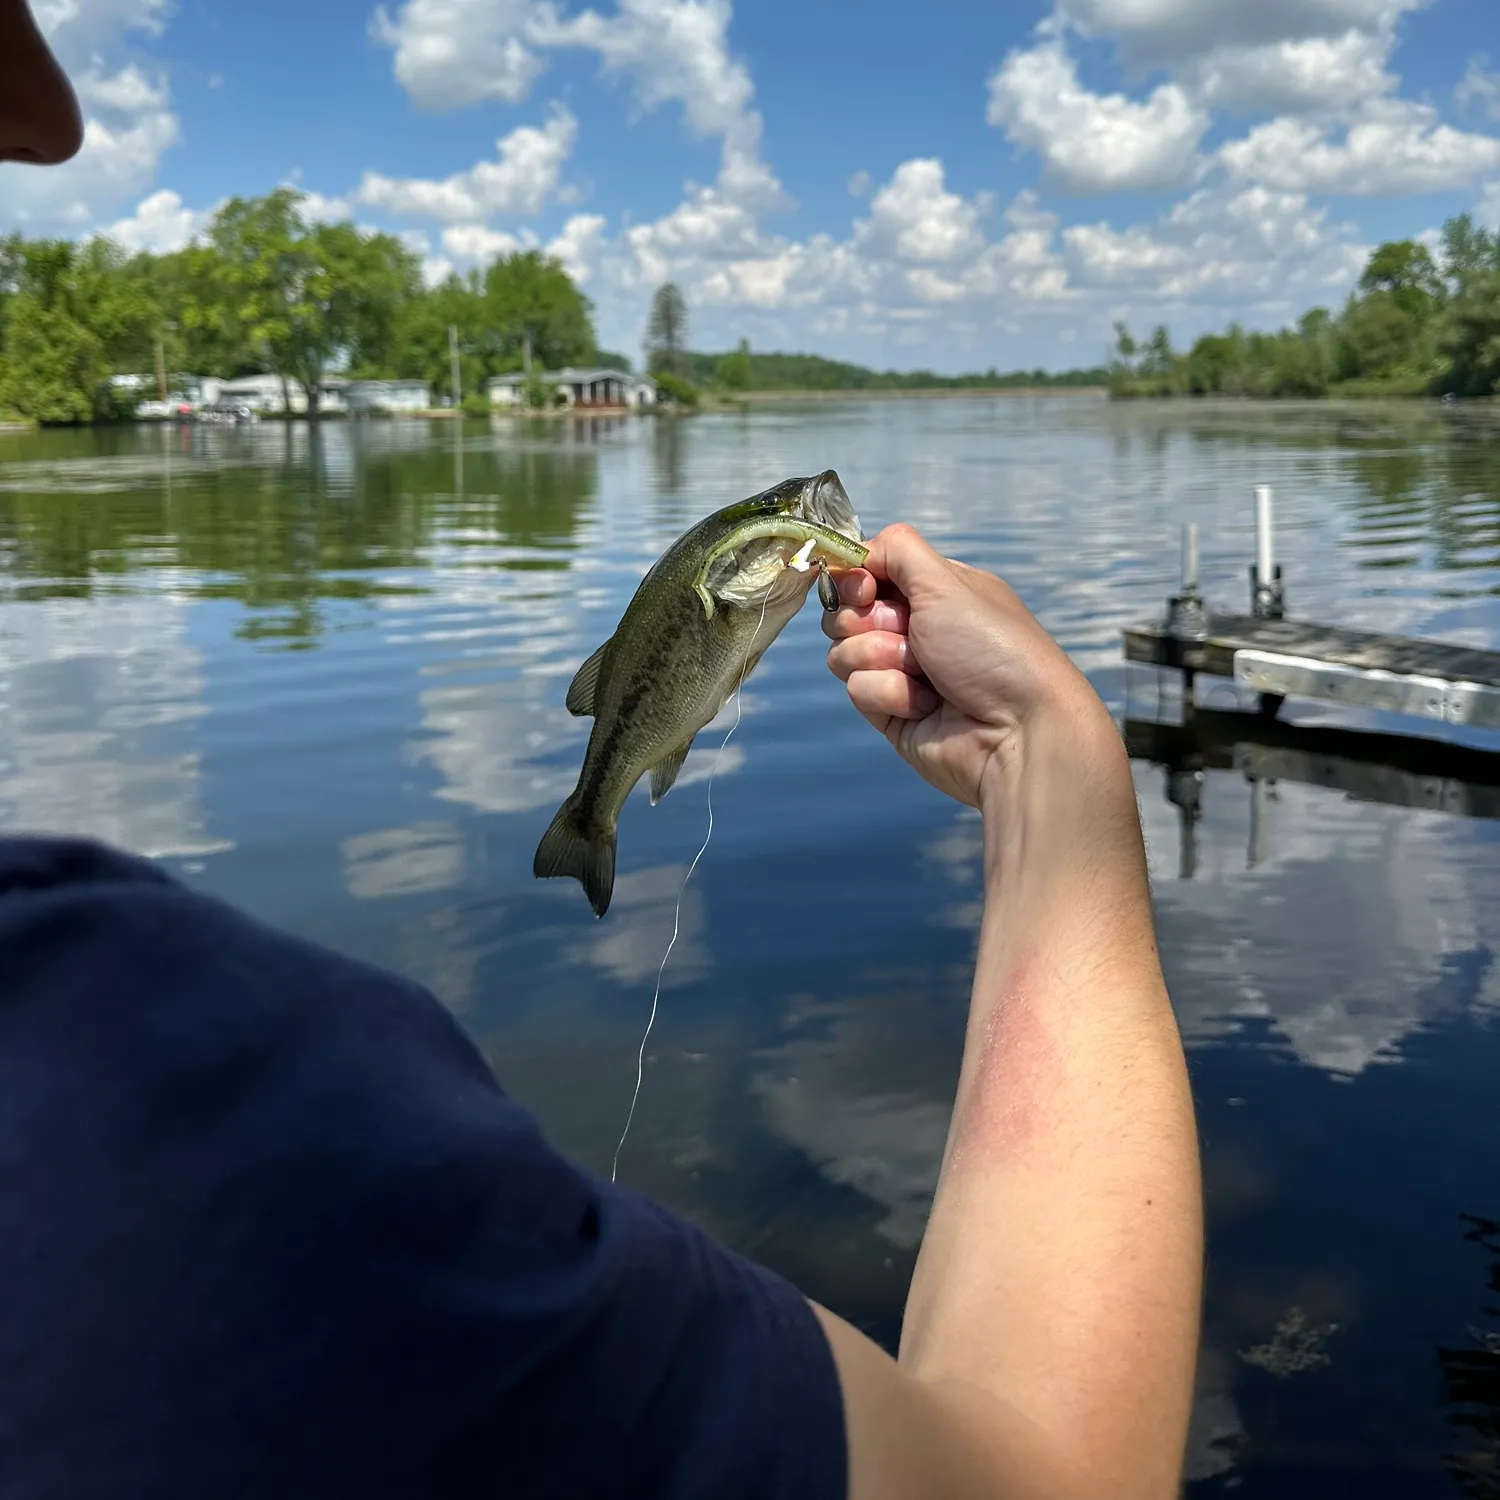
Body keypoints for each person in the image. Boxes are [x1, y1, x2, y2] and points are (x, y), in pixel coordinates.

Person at [0, 7, 1203, 1495]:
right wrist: (1051, 766)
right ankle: (599, 818)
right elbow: (1047, 1472)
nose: (44, 116)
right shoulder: (159, 1103)